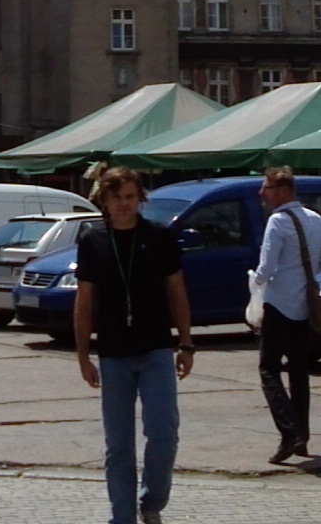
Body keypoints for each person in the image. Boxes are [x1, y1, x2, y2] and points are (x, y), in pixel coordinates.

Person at [75, 167, 194, 524]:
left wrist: (186, 344)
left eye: (130, 197)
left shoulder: (159, 237)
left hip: (156, 349)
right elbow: (83, 302)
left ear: (140, 199)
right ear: (105, 201)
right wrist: (83, 355)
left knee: (163, 434)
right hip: (113, 354)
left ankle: (152, 501)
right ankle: (122, 517)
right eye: (117, 198)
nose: (124, 205)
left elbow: (177, 292)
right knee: (119, 446)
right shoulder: (93, 240)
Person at [252, 167, 321, 463]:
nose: (262, 193)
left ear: (283, 191)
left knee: (268, 368)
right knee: (298, 370)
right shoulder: (317, 219)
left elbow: (266, 268)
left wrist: (255, 283)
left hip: (279, 303)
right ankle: (303, 436)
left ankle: (289, 432)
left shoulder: (277, 221)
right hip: (304, 305)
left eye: (267, 188)